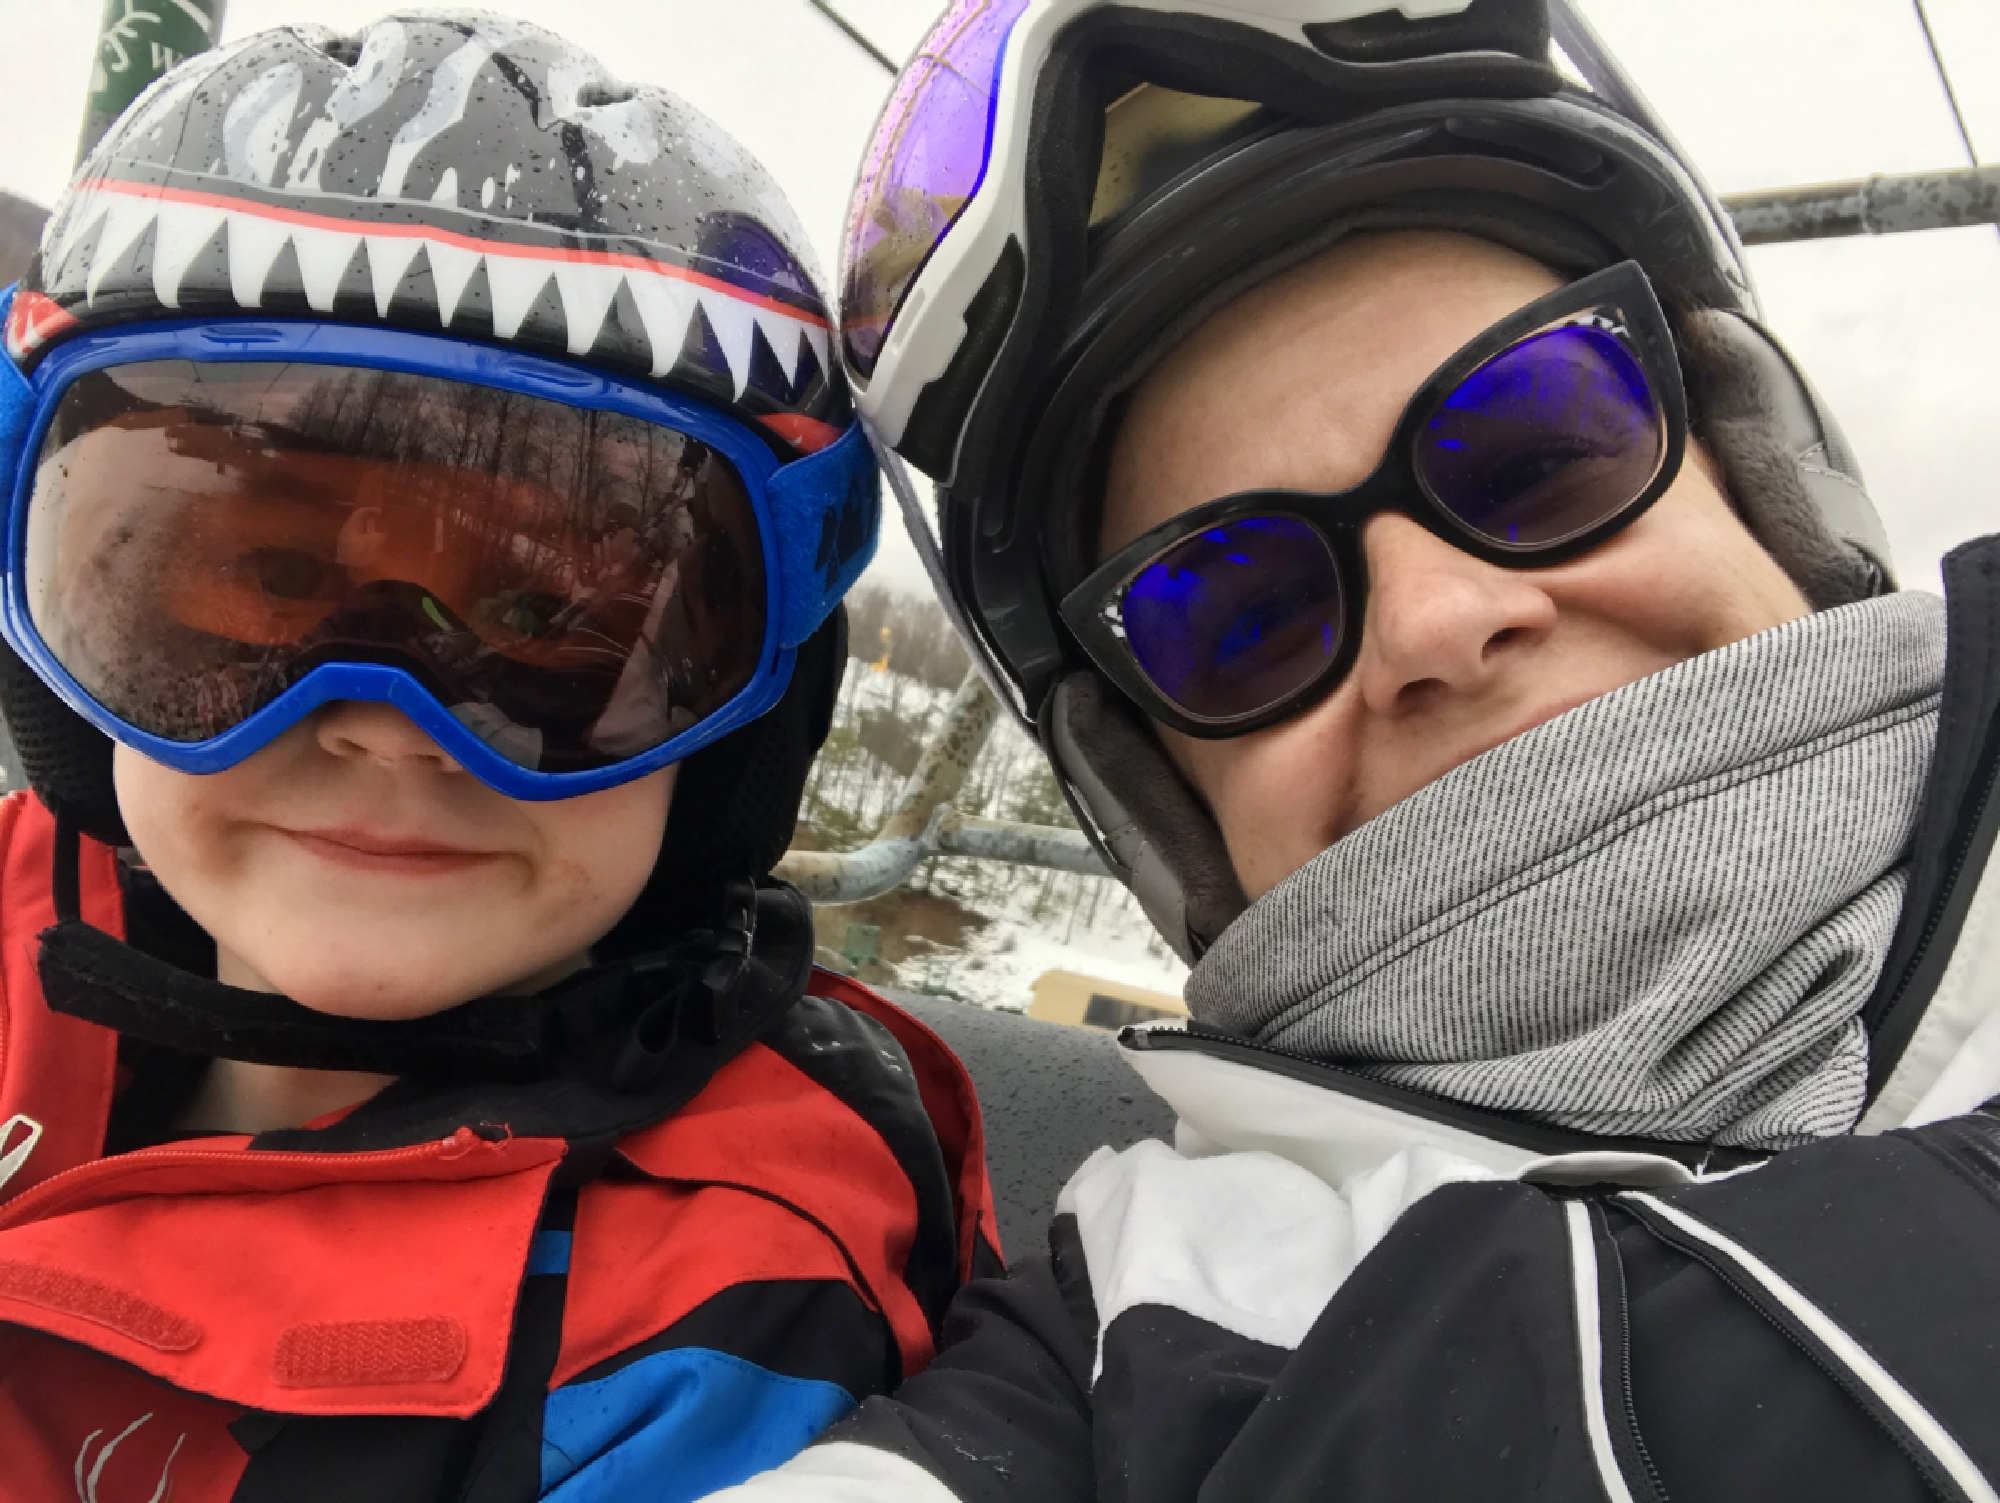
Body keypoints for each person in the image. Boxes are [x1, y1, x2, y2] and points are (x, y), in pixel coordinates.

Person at [715, 0, 2000, 1497]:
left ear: (1760, 465)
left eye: (1537, 446)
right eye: (1237, 610)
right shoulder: (1140, 1338)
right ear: (1159, 803)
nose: (1442, 621)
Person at [0, 15, 999, 1502]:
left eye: (550, 628)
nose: (389, 724)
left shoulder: (715, 1312)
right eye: (264, 581)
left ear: (747, 718)